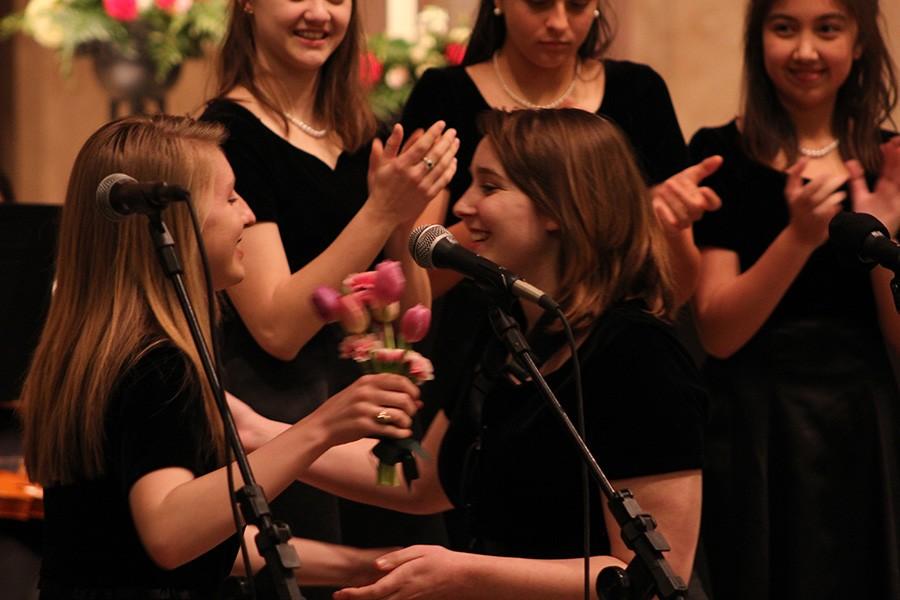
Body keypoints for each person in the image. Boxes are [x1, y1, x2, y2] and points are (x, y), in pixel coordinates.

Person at [233, 109, 708, 599]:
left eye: (489, 186)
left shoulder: (641, 355)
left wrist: (466, 574)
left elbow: (654, 577)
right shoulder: (509, 330)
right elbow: (427, 482)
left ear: (557, 208)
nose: (461, 206)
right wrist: (258, 433)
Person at [19, 115, 423, 599]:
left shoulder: (98, 351)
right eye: (231, 197)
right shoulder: (158, 362)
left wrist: (362, 566)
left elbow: (194, 540)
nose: (248, 215)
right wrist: (321, 428)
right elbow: (170, 534)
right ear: (170, 224)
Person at [199, 0, 458, 578]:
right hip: (281, 417)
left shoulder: (362, 131)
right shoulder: (226, 136)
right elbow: (277, 328)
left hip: (373, 424)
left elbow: (415, 313)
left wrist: (402, 221)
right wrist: (380, 210)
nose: (319, 13)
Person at [688, 0, 900, 597]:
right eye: (785, 29)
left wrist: (880, 241)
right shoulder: (718, 154)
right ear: (760, 43)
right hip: (753, 423)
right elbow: (718, 332)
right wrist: (800, 237)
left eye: (827, 29)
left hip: (865, 422)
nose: (805, 51)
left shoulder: (891, 160)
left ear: (859, 44)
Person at [403, 0, 723, 303]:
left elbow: (673, 292)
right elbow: (417, 281)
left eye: (577, 4)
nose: (558, 22)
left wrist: (671, 226)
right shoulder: (444, 94)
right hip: (481, 343)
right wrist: (509, 214)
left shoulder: (638, 91)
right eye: (539, 2)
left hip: (603, 339)